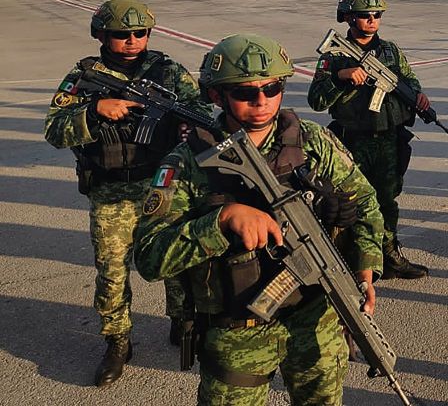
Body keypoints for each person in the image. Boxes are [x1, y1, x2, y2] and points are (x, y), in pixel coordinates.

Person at [135, 33, 383, 405]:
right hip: (237, 330)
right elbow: (150, 257)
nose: (262, 101)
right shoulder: (187, 162)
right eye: (245, 93)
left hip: (316, 319)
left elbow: (365, 202)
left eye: (272, 88)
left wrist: (366, 267)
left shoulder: (313, 143)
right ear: (217, 96)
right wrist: (220, 223)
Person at [43, 0, 198, 387]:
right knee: (112, 272)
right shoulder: (84, 76)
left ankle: (182, 321)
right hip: (111, 191)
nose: (131, 41)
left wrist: (188, 131)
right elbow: (54, 130)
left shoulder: (168, 71)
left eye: (139, 33)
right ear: (101, 35)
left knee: (174, 260)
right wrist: (95, 111)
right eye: (120, 35)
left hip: (162, 185)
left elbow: (199, 111)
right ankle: (117, 340)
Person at [308, 0, 431, 279]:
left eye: (377, 15)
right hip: (353, 140)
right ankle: (351, 261)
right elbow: (316, 100)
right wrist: (341, 77)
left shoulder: (390, 50)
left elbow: (409, 79)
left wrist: (419, 96)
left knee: (387, 200)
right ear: (349, 18)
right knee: (349, 203)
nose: (373, 20)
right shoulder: (334, 56)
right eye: (365, 15)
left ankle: (389, 256)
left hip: (388, 139)